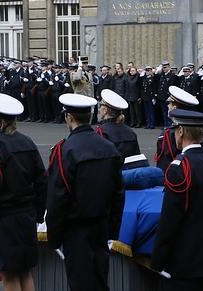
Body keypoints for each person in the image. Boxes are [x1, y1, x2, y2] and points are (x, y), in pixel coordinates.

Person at [45, 93, 125, 291]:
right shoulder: (109, 147)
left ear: (69, 117)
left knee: (80, 283)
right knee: (100, 281)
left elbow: (58, 198)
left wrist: (54, 236)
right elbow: (118, 194)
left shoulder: (65, 150)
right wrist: (112, 229)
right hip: (101, 225)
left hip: (76, 229)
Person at [151, 109, 203, 291]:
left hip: (183, 263)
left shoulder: (178, 168)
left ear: (180, 131)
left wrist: (158, 260)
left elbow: (170, 220)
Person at [0, 93, 47, 291]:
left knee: (10, 275)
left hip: (4, 218)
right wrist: (38, 214)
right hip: (27, 214)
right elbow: (42, 181)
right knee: (25, 272)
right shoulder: (27, 142)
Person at [154, 86, 203, 172]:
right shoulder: (199, 130)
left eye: (169, 104)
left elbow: (164, 167)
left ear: (174, 108)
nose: (168, 106)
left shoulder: (168, 134)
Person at [96, 89, 141, 159]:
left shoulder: (102, 132)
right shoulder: (130, 132)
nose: (99, 110)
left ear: (105, 111)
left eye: (100, 107)